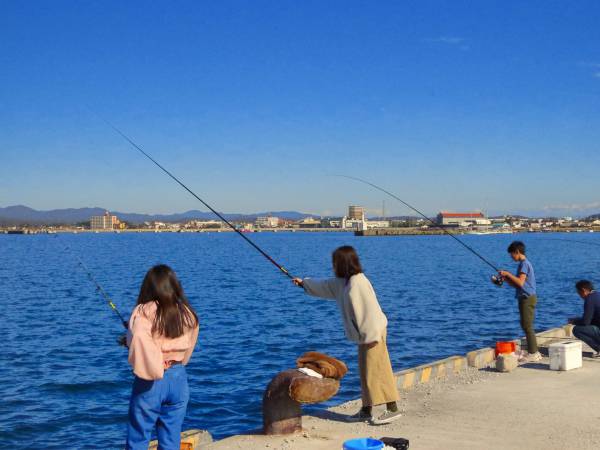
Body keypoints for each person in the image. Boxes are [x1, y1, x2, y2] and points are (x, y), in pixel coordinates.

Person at [292, 246, 401, 425]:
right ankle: (366, 410)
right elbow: (326, 286)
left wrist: (371, 337)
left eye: (334, 262)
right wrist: (304, 283)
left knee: (378, 370)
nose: (333, 265)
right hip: (365, 334)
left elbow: (370, 312)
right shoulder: (344, 282)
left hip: (372, 333)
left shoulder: (358, 283)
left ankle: (392, 409)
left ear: (342, 263)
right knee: (366, 372)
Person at [125, 265, 199, 450]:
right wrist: (179, 362)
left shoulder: (144, 311)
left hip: (152, 380)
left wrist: (154, 365)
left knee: (138, 436)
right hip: (179, 379)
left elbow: (140, 338)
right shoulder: (187, 312)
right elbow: (190, 341)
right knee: (171, 436)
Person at [498, 241, 541, 363]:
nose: (511, 257)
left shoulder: (524, 264)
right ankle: (533, 351)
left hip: (527, 298)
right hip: (524, 297)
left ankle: (534, 353)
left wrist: (507, 273)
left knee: (527, 325)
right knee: (525, 324)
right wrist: (506, 279)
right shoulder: (523, 264)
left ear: (517, 252)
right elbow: (518, 284)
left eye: (512, 254)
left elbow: (520, 282)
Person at [569, 280, 600, 357]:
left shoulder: (589, 299)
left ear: (584, 290)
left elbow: (586, 322)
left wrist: (574, 321)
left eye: (579, 293)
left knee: (576, 330)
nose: (580, 296)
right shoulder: (597, 294)